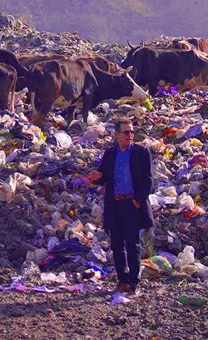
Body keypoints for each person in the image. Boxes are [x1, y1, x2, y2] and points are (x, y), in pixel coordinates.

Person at [87, 117, 154, 296]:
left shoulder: (141, 152)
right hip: (114, 204)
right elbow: (104, 177)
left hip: (132, 204)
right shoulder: (110, 154)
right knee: (116, 244)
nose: (130, 135)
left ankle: (134, 283)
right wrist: (96, 177)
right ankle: (122, 281)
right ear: (117, 134)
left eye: (132, 132)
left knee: (132, 244)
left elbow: (148, 179)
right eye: (126, 132)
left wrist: (138, 200)